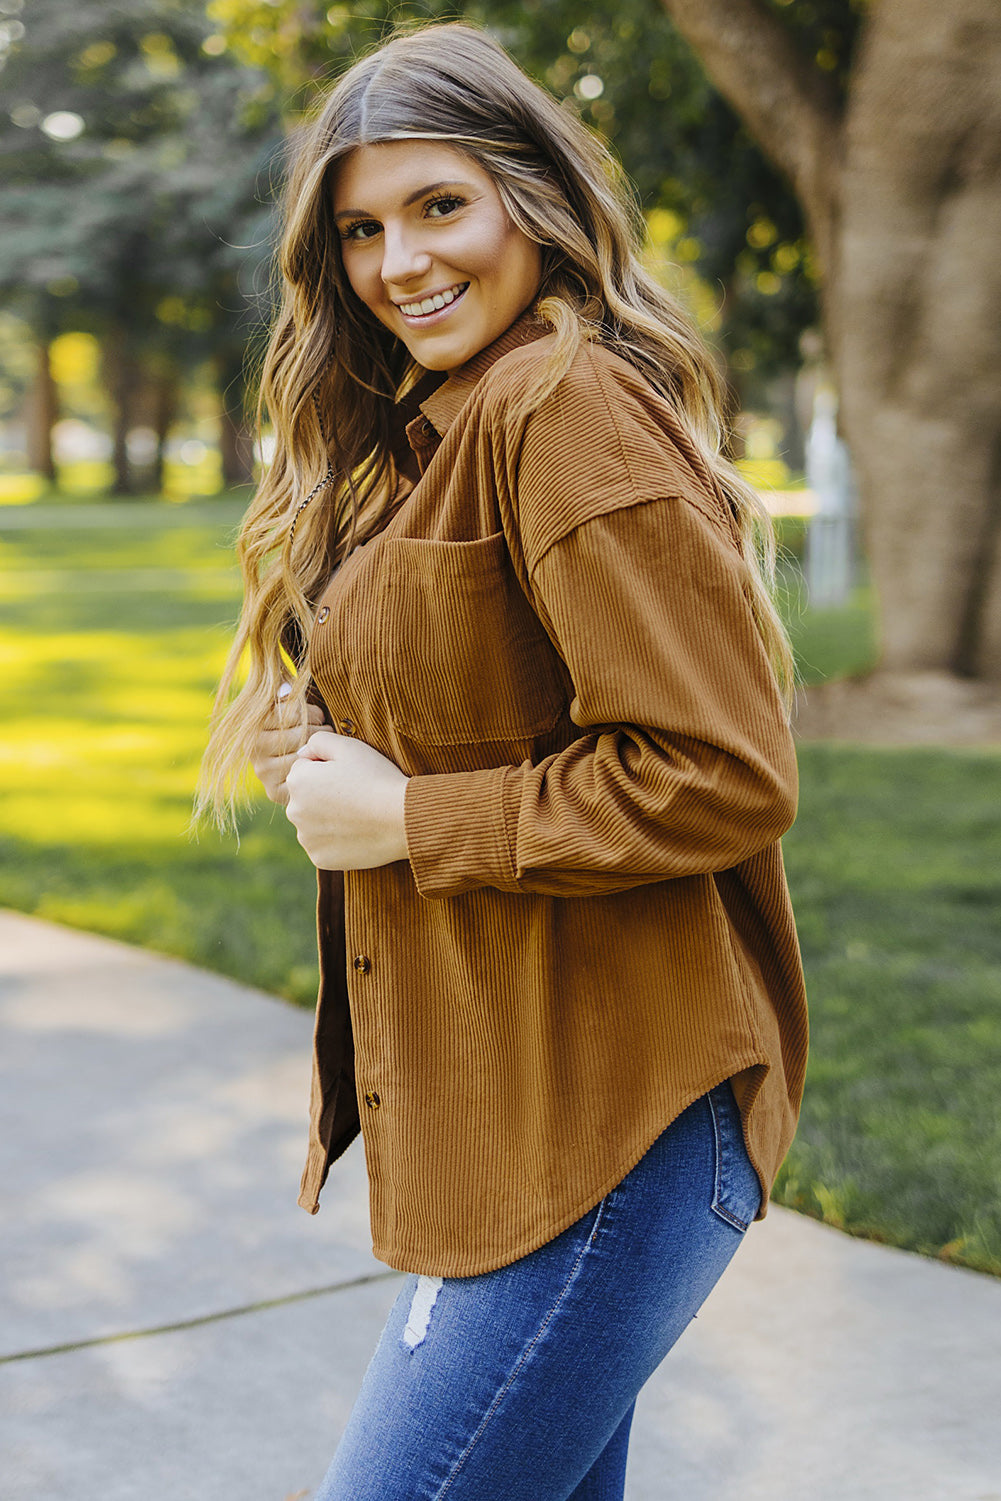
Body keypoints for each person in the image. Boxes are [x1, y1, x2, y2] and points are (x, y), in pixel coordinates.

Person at [198, 21, 807, 1500]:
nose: (398, 261)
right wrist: (333, 735)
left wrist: (408, 812)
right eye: (359, 228)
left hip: (608, 1128)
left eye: (438, 207)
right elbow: (505, 699)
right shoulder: (442, 425)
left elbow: (718, 772)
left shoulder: (561, 403)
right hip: (513, 1124)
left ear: (531, 199)